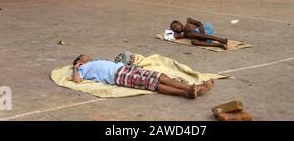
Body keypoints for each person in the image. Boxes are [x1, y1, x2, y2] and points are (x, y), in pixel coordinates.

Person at [71, 54, 214, 99]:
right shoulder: (82, 68)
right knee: (152, 84)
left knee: (160, 76)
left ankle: (193, 88)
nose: (87, 56)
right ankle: (185, 93)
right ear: (79, 61)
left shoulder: (95, 61)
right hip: (119, 76)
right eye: (83, 56)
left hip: (125, 68)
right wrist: (76, 67)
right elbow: (77, 80)